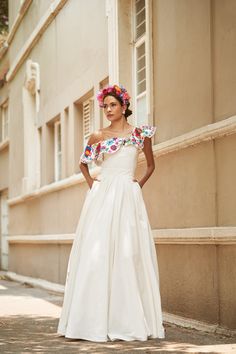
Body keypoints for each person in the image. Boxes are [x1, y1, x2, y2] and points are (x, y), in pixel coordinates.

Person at [57, 84, 165, 342]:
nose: (107, 109)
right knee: (98, 253)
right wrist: (93, 186)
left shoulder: (140, 134)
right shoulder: (97, 136)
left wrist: (137, 185)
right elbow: (83, 164)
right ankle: (91, 320)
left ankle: (128, 319)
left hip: (128, 196)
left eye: (112, 105)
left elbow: (150, 165)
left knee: (129, 254)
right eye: (105, 106)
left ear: (124, 106)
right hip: (102, 197)